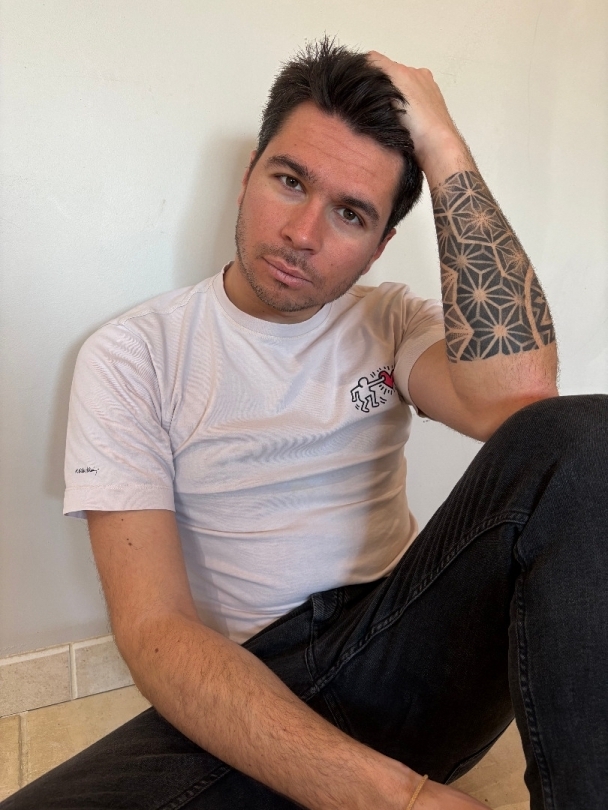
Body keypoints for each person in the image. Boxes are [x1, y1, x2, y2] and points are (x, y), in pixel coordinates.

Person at [5, 38, 607, 810]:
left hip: (410, 652)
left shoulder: (392, 323)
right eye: (290, 181)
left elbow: (524, 403)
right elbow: (156, 628)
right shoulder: (133, 355)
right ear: (247, 176)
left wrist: (445, 147)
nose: (303, 234)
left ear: (380, 246)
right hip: (255, 689)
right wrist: (393, 797)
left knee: (585, 438)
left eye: (351, 214)